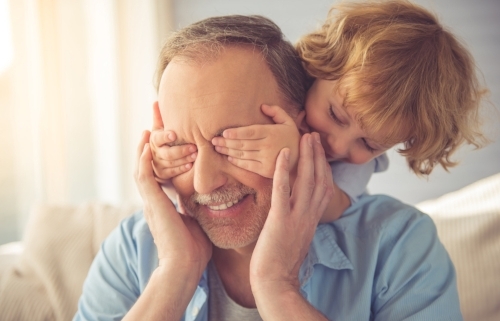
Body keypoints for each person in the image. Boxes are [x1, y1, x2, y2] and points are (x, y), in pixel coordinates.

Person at [74, 15, 462, 320]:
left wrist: (278, 287)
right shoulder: (133, 249)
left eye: (233, 141)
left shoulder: (398, 245)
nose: (334, 145)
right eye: (183, 146)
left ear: (294, 122)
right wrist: (175, 272)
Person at [152, 0, 487, 224]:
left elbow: (331, 208)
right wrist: (171, 157)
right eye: (337, 116)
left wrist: (295, 165)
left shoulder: (356, 174)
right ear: (317, 67)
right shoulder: (276, 88)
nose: (338, 147)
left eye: (369, 144)